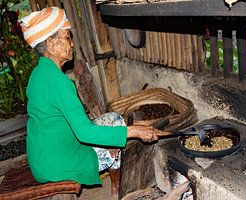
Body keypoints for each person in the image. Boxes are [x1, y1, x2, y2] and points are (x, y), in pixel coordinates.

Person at [20, 7, 164, 197]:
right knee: (118, 130)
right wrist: (136, 131)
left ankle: (114, 185)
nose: (72, 44)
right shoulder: (58, 82)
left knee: (114, 119)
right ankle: (117, 187)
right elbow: (84, 132)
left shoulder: (39, 73)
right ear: (51, 43)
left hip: (42, 156)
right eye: (67, 37)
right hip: (58, 163)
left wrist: (113, 136)